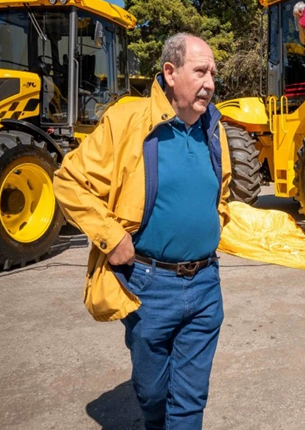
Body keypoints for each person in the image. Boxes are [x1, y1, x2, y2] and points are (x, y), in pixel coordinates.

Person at [53, 33, 232, 430]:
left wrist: (217, 225)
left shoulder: (214, 128)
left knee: (189, 401)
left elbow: (221, 190)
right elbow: (68, 181)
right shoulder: (127, 120)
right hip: (150, 286)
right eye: (200, 72)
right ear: (170, 72)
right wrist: (111, 236)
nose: (210, 83)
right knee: (152, 394)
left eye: (213, 73)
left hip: (205, 283)